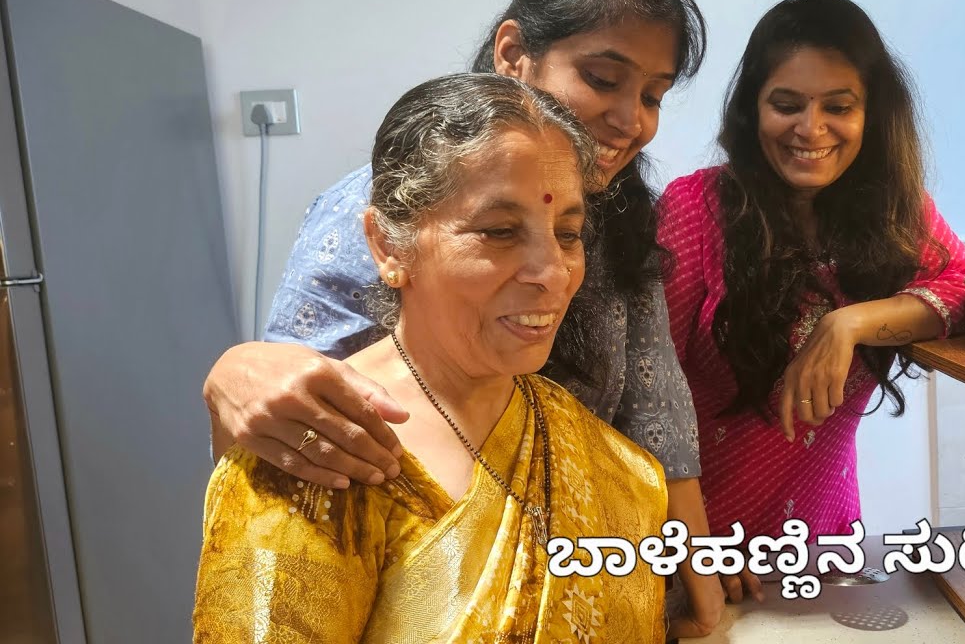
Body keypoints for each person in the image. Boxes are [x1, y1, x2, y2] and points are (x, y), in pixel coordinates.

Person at [198, 0, 738, 634]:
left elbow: (656, 413)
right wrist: (235, 371)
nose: (631, 119)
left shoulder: (619, 213)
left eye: (655, 94)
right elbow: (298, 405)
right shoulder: (394, 201)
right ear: (514, 54)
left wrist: (700, 586)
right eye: (604, 80)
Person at [193, 73, 668, 642]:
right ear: (388, 246)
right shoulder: (317, 450)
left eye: (568, 234)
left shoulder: (615, 470)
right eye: (499, 231)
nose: (553, 273)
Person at [658, 0, 965, 542]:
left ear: (869, 114)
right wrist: (689, 546)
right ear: (752, 107)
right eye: (786, 104)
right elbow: (648, 393)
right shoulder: (695, 209)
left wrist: (847, 325)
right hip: (699, 543)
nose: (812, 129)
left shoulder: (898, 212)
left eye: (838, 106)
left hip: (829, 543)